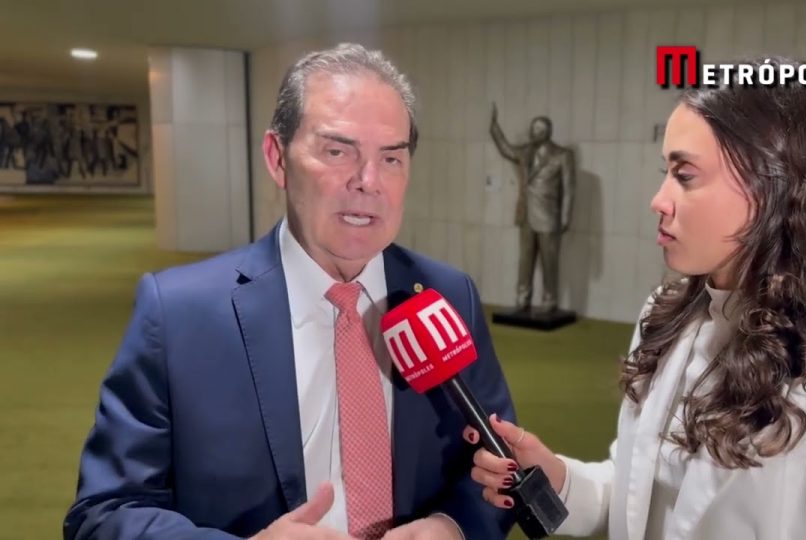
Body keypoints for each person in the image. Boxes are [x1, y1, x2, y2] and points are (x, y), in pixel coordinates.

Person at [464, 56, 806, 539]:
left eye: (685, 175)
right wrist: (560, 479)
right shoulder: (666, 316)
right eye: (666, 172)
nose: (659, 200)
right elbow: (641, 493)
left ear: (777, 186)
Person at [64, 43, 517, 540]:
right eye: (337, 151)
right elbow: (105, 513)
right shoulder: (176, 314)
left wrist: (453, 527)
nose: (368, 182)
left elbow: (499, 465)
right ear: (277, 158)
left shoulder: (449, 296)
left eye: (391, 158)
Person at [489, 105, 575, 312]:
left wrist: (565, 218)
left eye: (537, 129)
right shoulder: (526, 151)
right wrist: (494, 127)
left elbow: (569, 188)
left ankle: (549, 300)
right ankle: (522, 298)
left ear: (546, 132)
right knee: (525, 261)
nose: (532, 132)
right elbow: (507, 149)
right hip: (526, 216)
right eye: (532, 128)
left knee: (549, 263)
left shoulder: (562, 155)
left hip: (549, 217)